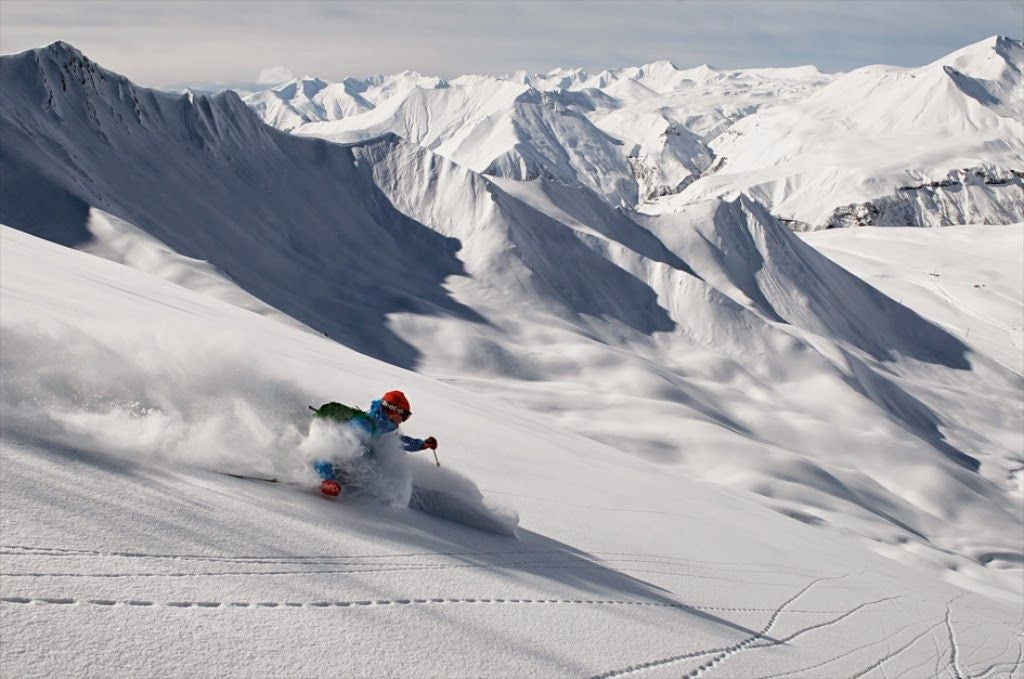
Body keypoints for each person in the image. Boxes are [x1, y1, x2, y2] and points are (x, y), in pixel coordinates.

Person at [312, 390, 437, 496]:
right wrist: (327, 480)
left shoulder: (380, 427)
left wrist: (422, 444)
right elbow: (328, 448)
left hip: (345, 472)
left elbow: (398, 442)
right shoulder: (363, 426)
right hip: (327, 469)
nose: (403, 421)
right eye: (404, 415)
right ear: (394, 410)